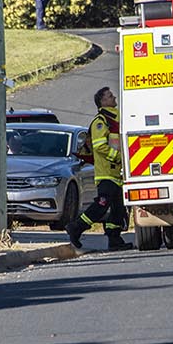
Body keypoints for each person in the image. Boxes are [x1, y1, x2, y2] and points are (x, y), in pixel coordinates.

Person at [66, 86, 131, 250]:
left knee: (118, 208)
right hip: (106, 173)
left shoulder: (115, 118)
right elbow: (99, 146)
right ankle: (76, 227)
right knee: (102, 205)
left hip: (116, 173)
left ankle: (115, 240)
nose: (114, 97)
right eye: (110, 96)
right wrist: (118, 158)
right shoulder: (100, 122)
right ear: (103, 101)